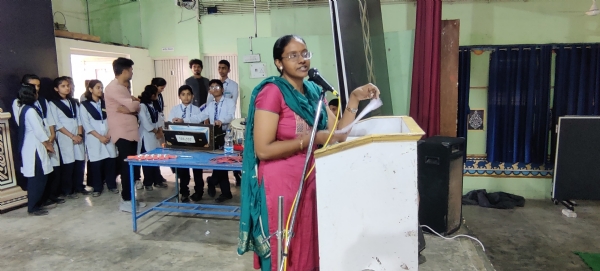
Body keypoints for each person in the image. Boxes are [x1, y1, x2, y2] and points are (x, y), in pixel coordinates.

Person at [237, 35, 380, 271]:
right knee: (284, 251)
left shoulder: (314, 91)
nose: (302, 60)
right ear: (279, 63)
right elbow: (263, 150)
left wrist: (354, 98)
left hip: (312, 181)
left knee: (309, 249)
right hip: (280, 186)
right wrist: (309, 140)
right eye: (293, 55)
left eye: (305, 53)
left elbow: (339, 134)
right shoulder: (272, 92)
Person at [13, 75, 64, 206]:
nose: (36, 89)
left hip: (47, 139)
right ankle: (36, 203)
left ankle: (48, 196)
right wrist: (46, 143)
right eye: (33, 86)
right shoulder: (23, 106)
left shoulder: (41, 101)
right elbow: (31, 126)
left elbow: (49, 119)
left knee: (49, 171)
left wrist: (52, 135)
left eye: (38, 86)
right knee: (38, 174)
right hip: (37, 142)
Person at [104, 57, 146, 213]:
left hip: (130, 131)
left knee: (131, 166)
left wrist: (133, 105)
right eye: (131, 70)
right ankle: (126, 200)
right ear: (125, 71)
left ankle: (132, 199)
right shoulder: (113, 87)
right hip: (122, 132)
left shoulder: (123, 87)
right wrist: (133, 104)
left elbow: (136, 105)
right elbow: (134, 104)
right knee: (126, 166)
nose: (132, 73)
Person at [16, 84, 55, 216]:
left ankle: (37, 203)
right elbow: (39, 131)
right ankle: (33, 206)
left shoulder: (24, 109)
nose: (37, 95)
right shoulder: (31, 111)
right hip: (34, 148)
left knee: (38, 177)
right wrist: (49, 145)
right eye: (35, 93)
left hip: (33, 146)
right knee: (37, 178)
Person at [49, 76, 88, 199]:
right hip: (65, 136)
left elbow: (79, 119)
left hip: (77, 134)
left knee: (79, 161)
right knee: (68, 163)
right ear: (56, 88)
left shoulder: (73, 102)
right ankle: (67, 190)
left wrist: (79, 134)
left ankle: (79, 186)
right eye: (63, 86)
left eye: (68, 85)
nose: (67, 88)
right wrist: (72, 136)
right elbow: (57, 124)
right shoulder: (53, 103)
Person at [80, 80, 119, 197]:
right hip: (94, 138)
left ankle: (112, 185)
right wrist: (100, 137)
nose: (100, 90)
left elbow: (113, 120)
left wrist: (108, 134)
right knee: (96, 164)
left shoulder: (105, 103)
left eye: (101, 88)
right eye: (98, 88)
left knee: (111, 162)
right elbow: (86, 124)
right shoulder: (84, 105)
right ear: (90, 89)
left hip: (108, 136)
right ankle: (97, 187)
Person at [199, 80, 236, 203]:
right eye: (212, 87)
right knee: (218, 163)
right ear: (209, 91)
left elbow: (231, 116)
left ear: (222, 89)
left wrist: (221, 120)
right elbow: (200, 116)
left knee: (223, 163)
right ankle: (226, 192)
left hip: (226, 135)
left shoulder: (229, 102)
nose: (214, 89)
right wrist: (184, 120)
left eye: (217, 86)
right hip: (213, 136)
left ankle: (212, 181)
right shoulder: (210, 105)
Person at [207, 59, 242, 186]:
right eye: (219, 68)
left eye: (224, 68)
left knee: (226, 157)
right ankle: (220, 184)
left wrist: (221, 120)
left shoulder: (233, 85)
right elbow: (208, 106)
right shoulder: (213, 85)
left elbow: (231, 108)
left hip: (226, 128)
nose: (221, 70)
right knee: (218, 158)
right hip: (214, 129)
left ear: (228, 70)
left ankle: (216, 180)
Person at [168, 85, 204, 202]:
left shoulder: (196, 109)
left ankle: (199, 191)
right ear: (179, 96)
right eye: (183, 94)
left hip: (194, 143)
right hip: (180, 142)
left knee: (197, 169)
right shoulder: (174, 109)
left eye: (189, 94)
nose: (186, 97)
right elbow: (169, 124)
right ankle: (184, 192)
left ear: (192, 96)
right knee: (183, 170)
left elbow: (199, 122)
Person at [137, 85, 164, 191]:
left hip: (154, 135)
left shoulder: (153, 104)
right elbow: (145, 122)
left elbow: (159, 119)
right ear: (153, 95)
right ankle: (148, 182)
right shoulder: (142, 106)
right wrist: (156, 131)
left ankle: (157, 180)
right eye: (157, 94)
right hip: (146, 135)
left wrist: (160, 131)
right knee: (147, 160)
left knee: (155, 158)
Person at [150, 77, 169, 186]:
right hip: (154, 129)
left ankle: (158, 176)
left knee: (159, 152)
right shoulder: (150, 99)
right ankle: (154, 178)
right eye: (161, 88)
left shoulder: (159, 96)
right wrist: (158, 130)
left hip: (160, 125)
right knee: (153, 154)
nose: (162, 90)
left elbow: (160, 111)